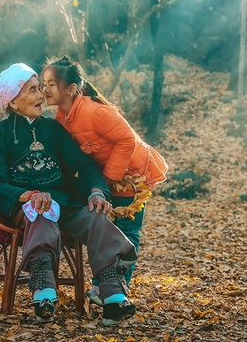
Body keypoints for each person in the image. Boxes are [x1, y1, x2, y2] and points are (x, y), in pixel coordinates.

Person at [0, 62, 137, 325]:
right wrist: (27, 196)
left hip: (65, 203)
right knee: (41, 214)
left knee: (97, 218)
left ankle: (113, 297)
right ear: (13, 103)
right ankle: (43, 295)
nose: (40, 95)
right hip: (28, 207)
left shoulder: (54, 129)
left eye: (38, 89)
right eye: (32, 91)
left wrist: (97, 191)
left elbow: (84, 164)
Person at [41, 56, 169, 304]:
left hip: (132, 176)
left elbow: (128, 141)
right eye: (43, 83)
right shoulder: (60, 118)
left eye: (51, 84)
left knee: (127, 232)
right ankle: (103, 286)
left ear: (71, 89)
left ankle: (118, 290)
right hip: (105, 180)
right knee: (106, 229)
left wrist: (107, 180)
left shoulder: (95, 112)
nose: (45, 90)